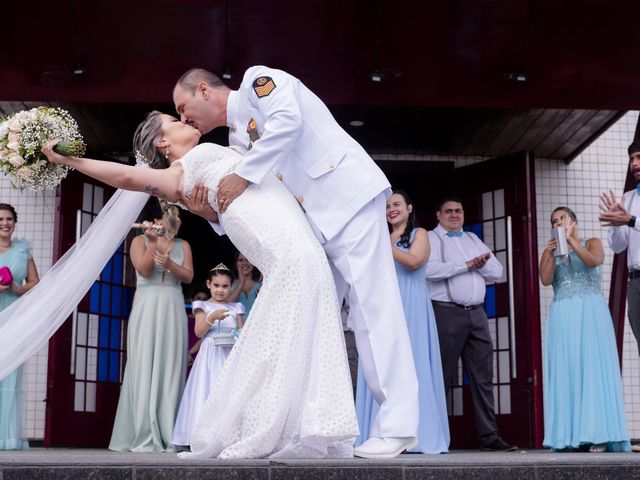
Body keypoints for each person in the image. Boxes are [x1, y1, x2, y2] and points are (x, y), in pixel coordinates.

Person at [42, 111, 358, 459]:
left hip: (301, 241)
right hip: (284, 250)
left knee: (303, 334)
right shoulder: (179, 173)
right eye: (173, 122)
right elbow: (125, 176)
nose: (183, 121)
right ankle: (273, 429)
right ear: (163, 143)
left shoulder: (216, 153)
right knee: (278, 339)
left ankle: (311, 428)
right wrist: (68, 159)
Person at [173, 67, 419, 458]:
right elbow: (257, 198)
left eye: (184, 108)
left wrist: (243, 174)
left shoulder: (258, 82)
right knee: (314, 326)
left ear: (204, 90)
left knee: (372, 311)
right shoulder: (236, 140)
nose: (185, 120)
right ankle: (318, 435)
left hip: (346, 199)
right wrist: (211, 215)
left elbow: (287, 123)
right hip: (313, 229)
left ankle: (398, 426)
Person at [356, 190, 449, 453]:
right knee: (381, 364)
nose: (391, 209)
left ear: (409, 208)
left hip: (411, 304)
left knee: (413, 362)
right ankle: (380, 431)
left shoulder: (420, 234)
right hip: (384, 305)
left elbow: (415, 261)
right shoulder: (381, 237)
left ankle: (418, 433)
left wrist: (383, 246)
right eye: (386, 206)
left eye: (396, 204)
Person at [425, 195, 517, 451]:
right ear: (438, 215)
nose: (455, 215)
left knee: (483, 377)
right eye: (449, 211)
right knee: (441, 376)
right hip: (446, 313)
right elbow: (427, 271)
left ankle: (490, 437)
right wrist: (466, 265)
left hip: (477, 314)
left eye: (459, 210)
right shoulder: (430, 238)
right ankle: (434, 437)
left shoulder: (472, 239)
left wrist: (477, 265)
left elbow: (496, 271)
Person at [540, 207, 630, 452]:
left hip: (591, 313)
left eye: (562, 218)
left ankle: (597, 433)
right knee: (567, 369)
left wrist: (570, 241)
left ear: (574, 221)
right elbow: (546, 280)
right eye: (554, 220)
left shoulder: (592, 242)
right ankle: (568, 436)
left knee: (591, 369)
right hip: (563, 314)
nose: (558, 222)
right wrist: (551, 252)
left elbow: (594, 261)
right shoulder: (550, 250)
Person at [108, 199, 193, 452]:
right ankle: (143, 432)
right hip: (147, 304)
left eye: (171, 217)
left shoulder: (183, 245)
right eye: (163, 217)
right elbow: (144, 271)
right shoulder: (139, 242)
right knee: (144, 363)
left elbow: (188, 276)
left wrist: (171, 265)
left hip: (172, 305)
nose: (166, 222)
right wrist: (153, 243)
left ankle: (169, 430)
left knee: (170, 365)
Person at [173, 263, 245, 447]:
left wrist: (239, 336)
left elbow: (242, 332)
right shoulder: (202, 305)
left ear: (231, 286)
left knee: (228, 391)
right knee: (207, 389)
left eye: (225, 286)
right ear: (208, 284)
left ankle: (225, 436)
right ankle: (202, 436)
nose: (220, 290)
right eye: (216, 285)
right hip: (210, 353)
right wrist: (211, 318)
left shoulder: (236, 307)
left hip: (229, 353)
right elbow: (198, 332)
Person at [0, 204, 39, 450]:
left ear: (15, 222)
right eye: (1, 219)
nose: (5, 223)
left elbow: (35, 282)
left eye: (9, 219)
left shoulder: (23, 251)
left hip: (13, 317)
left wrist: (16, 289)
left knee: (10, 377)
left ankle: (6, 436)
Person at [599, 141, 640, 358]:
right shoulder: (629, 197)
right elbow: (619, 246)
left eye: (639, 157)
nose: (634, 163)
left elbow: (633, 222)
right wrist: (617, 225)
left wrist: (631, 220)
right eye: (632, 159)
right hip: (635, 282)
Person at [226, 252, 261, 316]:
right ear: (236, 264)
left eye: (248, 259)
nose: (245, 263)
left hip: (256, 324)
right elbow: (223, 306)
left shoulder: (261, 285)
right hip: (236, 325)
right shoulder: (229, 285)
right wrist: (241, 283)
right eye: (240, 260)